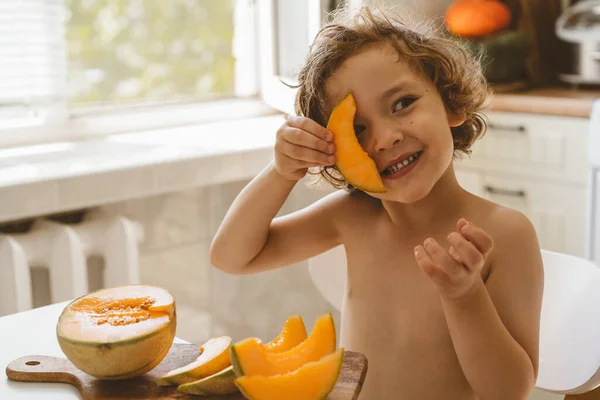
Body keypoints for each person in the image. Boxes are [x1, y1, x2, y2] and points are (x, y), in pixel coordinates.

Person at [210, 4, 544, 399]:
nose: (384, 139)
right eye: (357, 128)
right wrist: (282, 172)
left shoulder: (505, 234)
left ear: (451, 104)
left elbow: (508, 391)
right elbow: (231, 257)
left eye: (402, 104)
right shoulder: (352, 216)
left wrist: (465, 296)